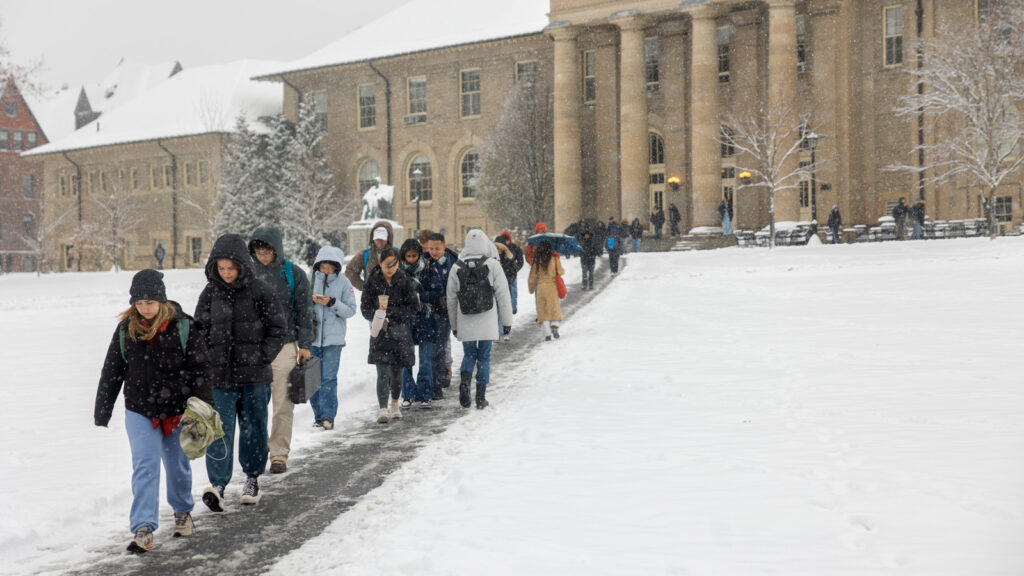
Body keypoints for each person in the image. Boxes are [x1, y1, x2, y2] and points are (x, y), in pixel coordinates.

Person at [95, 269, 211, 553]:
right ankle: (143, 528)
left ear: (161, 300)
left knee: (177, 466)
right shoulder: (126, 329)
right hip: (139, 409)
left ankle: (182, 511)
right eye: (139, 302)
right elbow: (112, 370)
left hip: (177, 411)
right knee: (145, 466)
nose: (144, 307)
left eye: (150, 302)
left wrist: (201, 409)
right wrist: (103, 409)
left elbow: (201, 370)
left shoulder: (183, 326)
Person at [195, 234, 287, 511]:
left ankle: (252, 479)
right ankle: (219, 484)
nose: (226, 274)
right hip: (220, 378)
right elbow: (199, 331)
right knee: (218, 431)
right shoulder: (210, 293)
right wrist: (207, 359)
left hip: (255, 377)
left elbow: (277, 330)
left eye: (231, 268)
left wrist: (260, 356)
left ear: (241, 266)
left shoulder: (260, 290)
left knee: (253, 429)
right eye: (221, 268)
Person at [249, 226, 314, 475]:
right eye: (258, 251)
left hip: (284, 346)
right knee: (254, 406)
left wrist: (305, 344)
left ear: (277, 249)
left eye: (267, 251)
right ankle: (255, 454)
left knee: (283, 404)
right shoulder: (246, 273)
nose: (263, 256)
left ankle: (278, 454)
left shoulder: (293, 274)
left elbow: (304, 310)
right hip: (253, 348)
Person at [446, 229, 513, 409]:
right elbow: (504, 296)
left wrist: (454, 325)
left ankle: (465, 382)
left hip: (465, 318)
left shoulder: (456, 267)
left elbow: (451, 299)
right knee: (484, 357)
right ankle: (481, 397)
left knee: (469, 354)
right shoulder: (492, 265)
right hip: (487, 319)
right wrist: (507, 323)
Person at [360, 247, 419, 423]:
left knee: (396, 372)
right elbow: (365, 307)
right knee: (382, 371)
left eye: (394, 264)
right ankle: (382, 408)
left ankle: (394, 403)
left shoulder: (404, 281)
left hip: (400, 332)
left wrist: (394, 312)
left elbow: (413, 307)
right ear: (380, 263)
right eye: (387, 264)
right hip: (380, 332)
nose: (391, 268)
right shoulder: (373, 281)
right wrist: (377, 313)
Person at [309, 245, 358, 430]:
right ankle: (318, 415)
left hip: (333, 341)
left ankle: (328, 415)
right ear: (318, 266)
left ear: (337, 267)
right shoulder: (309, 279)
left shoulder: (344, 283)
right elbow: (298, 305)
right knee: (312, 379)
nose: (326, 271)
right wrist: (310, 302)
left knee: (329, 378)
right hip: (313, 339)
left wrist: (332, 302)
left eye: (330, 267)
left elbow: (351, 310)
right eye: (323, 267)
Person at [398, 239, 437, 406]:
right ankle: (408, 394)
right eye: (408, 256)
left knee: (425, 359)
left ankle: (425, 393)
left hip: (425, 317)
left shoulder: (428, 268)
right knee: (405, 359)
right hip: (406, 318)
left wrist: (420, 297)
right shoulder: (398, 272)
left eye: (415, 255)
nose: (412, 259)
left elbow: (437, 292)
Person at [421, 232, 459, 399]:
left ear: (444, 246)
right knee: (429, 349)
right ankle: (433, 381)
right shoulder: (424, 263)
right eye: (431, 248)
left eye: (437, 248)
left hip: (445, 312)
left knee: (440, 348)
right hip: (428, 311)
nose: (434, 251)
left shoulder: (452, 263)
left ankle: (437, 382)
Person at [528, 241, 565, 342]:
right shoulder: (554, 259)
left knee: (543, 311)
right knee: (554, 308)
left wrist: (531, 288)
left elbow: (532, 277)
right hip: (552, 287)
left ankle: (547, 334)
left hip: (541, 288)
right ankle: (555, 325)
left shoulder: (537, 261)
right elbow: (561, 271)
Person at [345, 221, 395, 290]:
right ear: (373, 238)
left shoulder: (396, 254)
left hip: (392, 297)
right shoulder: (365, 255)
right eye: (377, 239)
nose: (380, 242)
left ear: (388, 238)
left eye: (382, 239)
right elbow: (350, 270)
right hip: (371, 298)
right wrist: (364, 287)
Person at [494, 231, 524, 315]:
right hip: (501, 274)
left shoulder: (515, 248)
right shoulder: (499, 248)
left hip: (512, 274)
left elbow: (521, 261)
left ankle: (513, 306)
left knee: (513, 291)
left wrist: (514, 269)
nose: (506, 241)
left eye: (507, 239)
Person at [579, 224, 600, 290]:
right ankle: (584, 284)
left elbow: (596, 251)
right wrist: (582, 255)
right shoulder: (582, 242)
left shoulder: (592, 243)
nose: (587, 236)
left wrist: (593, 254)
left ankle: (591, 284)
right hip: (584, 260)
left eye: (587, 235)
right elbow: (580, 251)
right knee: (584, 273)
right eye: (585, 235)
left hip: (591, 260)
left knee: (591, 274)